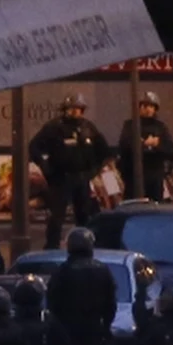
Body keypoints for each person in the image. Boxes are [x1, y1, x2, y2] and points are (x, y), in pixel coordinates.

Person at [45, 228, 117, 345]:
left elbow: (53, 302)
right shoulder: (102, 270)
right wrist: (105, 325)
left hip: (69, 330)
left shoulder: (63, 272)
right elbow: (111, 303)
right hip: (94, 329)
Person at [28, 94, 110, 249]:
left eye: (78, 109)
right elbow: (34, 147)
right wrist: (46, 168)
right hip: (60, 178)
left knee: (84, 215)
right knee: (57, 216)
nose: (75, 112)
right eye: (72, 109)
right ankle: (52, 246)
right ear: (65, 110)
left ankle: (85, 245)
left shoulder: (88, 128)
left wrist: (93, 171)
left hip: (82, 178)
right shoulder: (54, 127)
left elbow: (103, 151)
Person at [116, 91, 173, 202]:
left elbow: (172, 151)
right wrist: (142, 144)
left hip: (154, 176)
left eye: (151, 106)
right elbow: (123, 147)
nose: (148, 109)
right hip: (134, 177)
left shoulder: (160, 127)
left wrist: (157, 145)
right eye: (144, 106)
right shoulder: (130, 125)